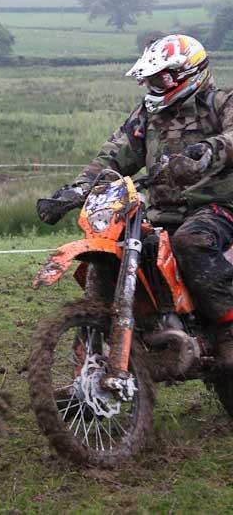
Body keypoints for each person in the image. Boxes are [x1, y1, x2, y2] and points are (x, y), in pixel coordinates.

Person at [36, 34, 233, 370]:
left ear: (189, 73)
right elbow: (113, 157)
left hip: (219, 208)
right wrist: (76, 190)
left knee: (191, 240)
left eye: (162, 78)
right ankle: (96, 358)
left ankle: (228, 330)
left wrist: (208, 152)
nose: (155, 85)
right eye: (151, 80)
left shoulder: (221, 102)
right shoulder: (147, 115)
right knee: (119, 245)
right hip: (163, 212)